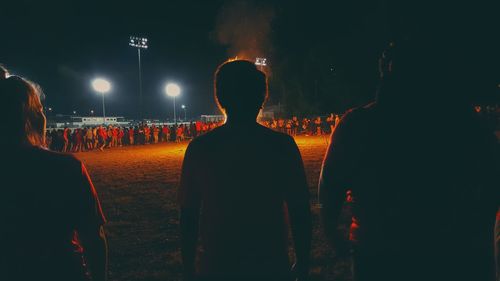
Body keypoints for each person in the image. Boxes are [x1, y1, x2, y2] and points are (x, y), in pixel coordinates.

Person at [318, 39, 499, 281]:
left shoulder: (359, 124)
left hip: (380, 250)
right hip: (450, 249)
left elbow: (330, 187)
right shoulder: (465, 122)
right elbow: (491, 182)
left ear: (386, 72)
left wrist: (332, 232)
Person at [179, 60, 312, 281]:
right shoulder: (281, 146)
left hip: (217, 267)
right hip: (270, 265)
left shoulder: (200, 148)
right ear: (262, 97)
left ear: (219, 98)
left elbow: (188, 216)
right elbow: (300, 211)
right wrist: (304, 263)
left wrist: (187, 269)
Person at [0, 67, 108, 281]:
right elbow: (94, 239)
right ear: (28, 116)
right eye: (39, 109)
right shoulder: (65, 167)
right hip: (61, 270)